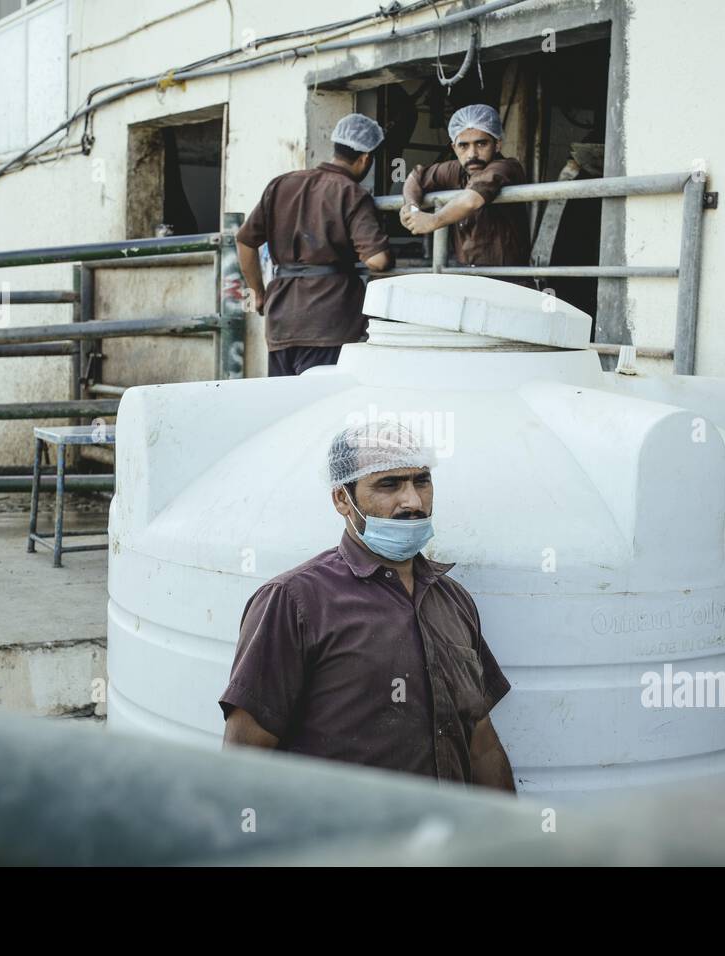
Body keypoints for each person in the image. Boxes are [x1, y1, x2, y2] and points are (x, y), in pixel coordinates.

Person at [219, 421, 516, 791]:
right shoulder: (294, 601)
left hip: (446, 844)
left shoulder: (452, 600)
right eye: (389, 484)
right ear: (342, 499)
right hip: (347, 846)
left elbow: (481, 745)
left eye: (421, 480)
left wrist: (515, 838)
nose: (413, 501)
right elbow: (245, 759)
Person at [236, 113, 394, 377]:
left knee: (287, 409)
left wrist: (258, 292)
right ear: (366, 158)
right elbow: (377, 260)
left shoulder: (281, 184)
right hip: (329, 322)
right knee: (323, 407)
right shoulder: (350, 192)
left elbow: (244, 241)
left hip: (281, 321)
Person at [399, 104, 531, 276]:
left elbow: (471, 200)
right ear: (454, 148)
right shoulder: (458, 169)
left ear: (497, 144)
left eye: (481, 144)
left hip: (508, 279)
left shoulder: (505, 167)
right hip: (467, 276)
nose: (472, 154)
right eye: (463, 145)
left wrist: (433, 220)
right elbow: (416, 176)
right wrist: (412, 207)